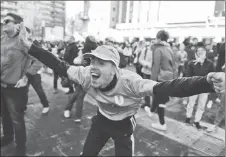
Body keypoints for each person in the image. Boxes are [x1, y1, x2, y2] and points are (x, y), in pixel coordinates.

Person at [17, 23, 225, 156]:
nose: (93, 68)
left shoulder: (131, 82)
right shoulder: (85, 74)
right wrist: (31, 47)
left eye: (101, 63)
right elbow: (57, 64)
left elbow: (169, 87)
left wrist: (206, 82)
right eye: (92, 62)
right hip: (100, 122)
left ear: (115, 68)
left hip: (124, 126)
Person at [1, 13, 36, 156]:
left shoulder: (23, 41)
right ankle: (8, 137)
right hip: (1, 86)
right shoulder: (2, 39)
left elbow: (39, 59)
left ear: (18, 25)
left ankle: (21, 147)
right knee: (4, 115)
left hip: (15, 89)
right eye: (3, 20)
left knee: (17, 119)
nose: (4, 22)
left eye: (7, 21)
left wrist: (27, 76)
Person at [150, 30, 177, 131]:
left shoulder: (158, 49)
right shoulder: (169, 49)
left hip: (161, 77)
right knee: (161, 99)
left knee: (160, 99)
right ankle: (152, 111)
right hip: (169, 78)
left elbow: (155, 67)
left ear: (159, 38)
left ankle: (162, 123)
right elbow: (174, 66)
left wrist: (152, 82)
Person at [185, 42, 215, 130]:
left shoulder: (210, 63)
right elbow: (188, 76)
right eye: (198, 51)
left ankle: (196, 121)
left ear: (205, 52)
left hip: (204, 88)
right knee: (191, 103)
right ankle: (188, 118)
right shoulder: (191, 63)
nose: (200, 52)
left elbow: (212, 76)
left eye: (202, 50)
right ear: (196, 53)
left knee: (201, 105)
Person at [25, 27, 50, 114]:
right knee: (24, 90)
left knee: (39, 90)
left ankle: (46, 105)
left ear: (29, 34)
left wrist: (30, 71)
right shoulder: (21, 44)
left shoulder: (35, 44)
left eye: (25, 33)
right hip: (25, 72)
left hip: (34, 72)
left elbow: (40, 59)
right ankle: (23, 106)